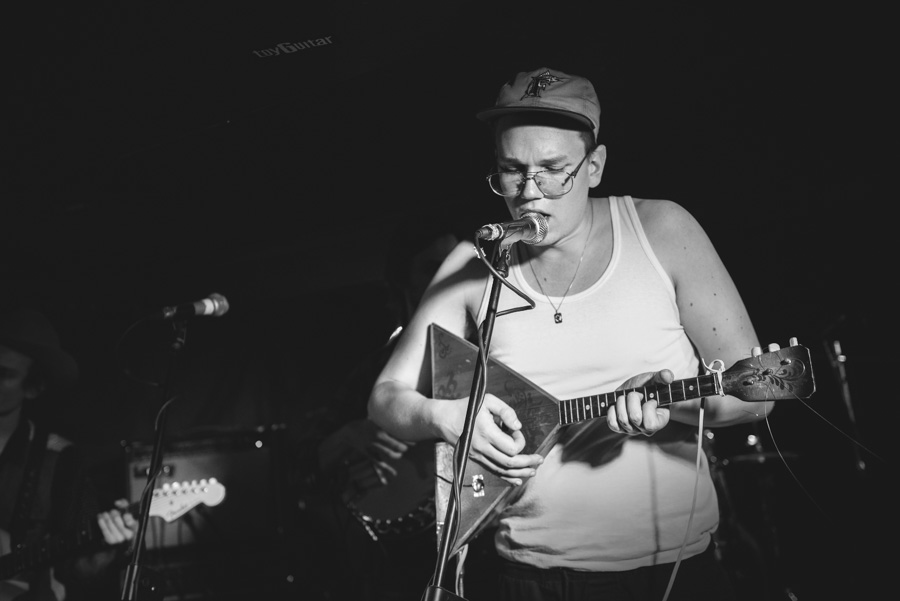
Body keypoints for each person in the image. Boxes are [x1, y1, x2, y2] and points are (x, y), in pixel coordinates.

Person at [367, 67, 773, 601]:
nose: (530, 194)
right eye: (512, 171)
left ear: (594, 166)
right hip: (528, 574)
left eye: (554, 170)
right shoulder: (474, 263)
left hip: (671, 571)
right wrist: (446, 418)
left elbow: (759, 394)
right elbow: (385, 398)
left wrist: (671, 403)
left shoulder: (662, 230)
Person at [291, 224, 460, 600]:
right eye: (431, 267)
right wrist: (349, 438)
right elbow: (303, 458)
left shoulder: (487, 353)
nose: (445, 276)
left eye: (452, 264)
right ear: (403, 283)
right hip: (401, 567)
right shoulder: (376, 368)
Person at [0, 307, 137, 600]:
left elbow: (78, 570)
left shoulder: (60, 460)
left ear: (33, 387)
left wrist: (104, 551)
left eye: (3, 374)